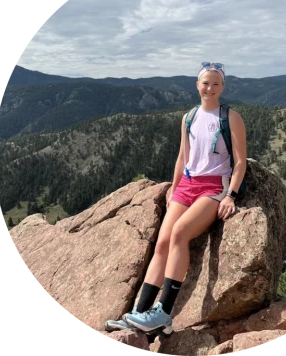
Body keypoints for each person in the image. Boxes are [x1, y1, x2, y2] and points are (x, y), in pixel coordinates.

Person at [105, 62, 247, 335]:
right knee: (162, 243)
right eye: (205, 83)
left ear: (223, 87)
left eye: (215, 83)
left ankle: (164, 313)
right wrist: (174, 187)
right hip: (188, 184)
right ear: (197, 85)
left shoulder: (230, 117)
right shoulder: (189, 117)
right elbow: (183, 156)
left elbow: (240, 162)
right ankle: (139, 313)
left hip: (213, 186)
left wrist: (231, 195)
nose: (210, 88)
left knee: (180, 233)